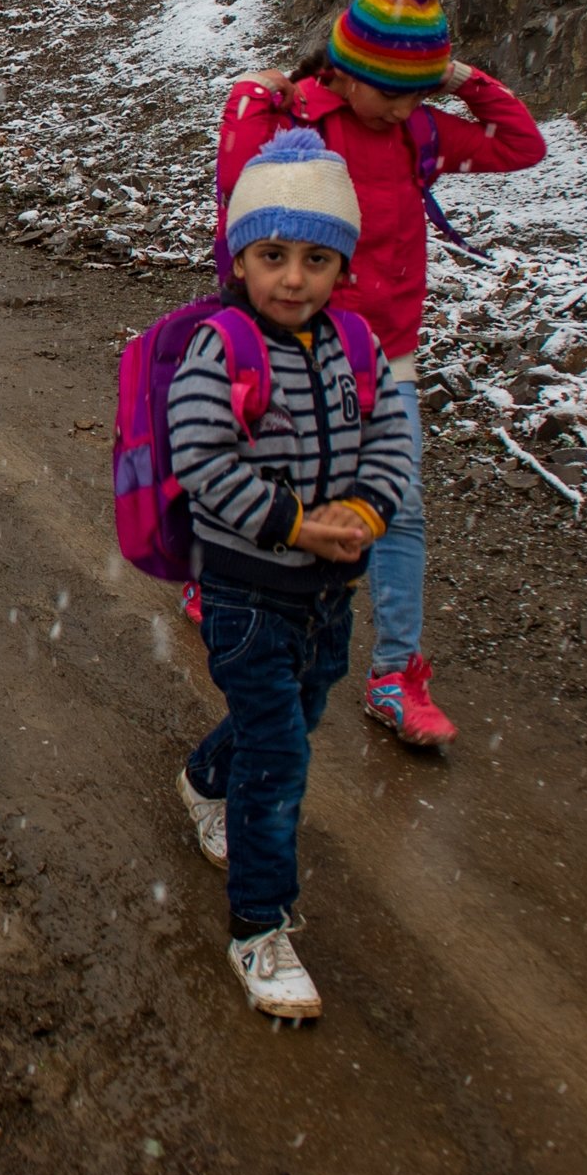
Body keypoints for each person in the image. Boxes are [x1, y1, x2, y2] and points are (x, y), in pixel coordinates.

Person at [217, 0, 544, 751]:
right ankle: (230, 587)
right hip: (297, 346)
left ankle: (395, 671)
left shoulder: (418, 132)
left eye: (416, 89)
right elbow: (237, 192)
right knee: (269, 479)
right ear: (343, 68)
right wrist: (250, 96)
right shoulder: (299, 122)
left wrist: (460, 78)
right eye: (390, 89)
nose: (403, 104)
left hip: (388, 356)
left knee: (399, 504)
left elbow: (521, 145)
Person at [171, 129, 417, 1019]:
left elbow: (391, 437)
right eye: (272, 255)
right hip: (245, 590)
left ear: (341, 264)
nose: (293, 277)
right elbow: (200, 456)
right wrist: (295, 522)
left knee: (298, 714)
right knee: (280, 756)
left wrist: (369, 510)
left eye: (317, 258)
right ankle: (259, 928)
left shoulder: (355, 344)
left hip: (326, 593)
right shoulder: (221, 346)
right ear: (239, 254)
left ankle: (204, 780)